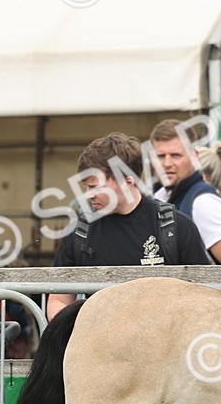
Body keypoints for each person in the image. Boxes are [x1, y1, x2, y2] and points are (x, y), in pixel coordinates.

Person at [47, 133, 210, 319]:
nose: (88, 195)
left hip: (162, 345)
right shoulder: (79, 233)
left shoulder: (175, 227)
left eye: (95, 187)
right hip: (100, 344)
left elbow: (203, 298)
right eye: (87, 186)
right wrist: (73, 330)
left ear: (128, 183)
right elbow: (58, 301)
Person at [151, 120, 221, 264]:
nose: (166, 164)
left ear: (194, 156)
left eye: (176, 155)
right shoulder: (162, 197)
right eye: (160, 156)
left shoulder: (203, 203)